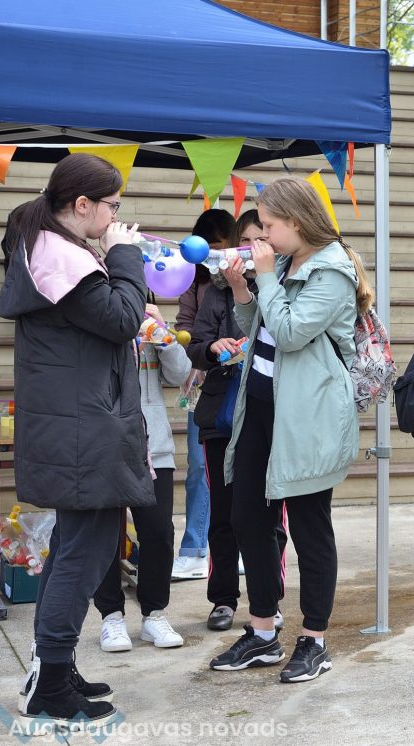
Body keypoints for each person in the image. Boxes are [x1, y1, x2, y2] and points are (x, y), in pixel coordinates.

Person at [0, 152, 151, 727]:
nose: (115, 216)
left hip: (77, 423)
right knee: (83, 554)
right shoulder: (63, 258)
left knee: (72, 548)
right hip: (83, 427)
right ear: (82, 204)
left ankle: (51, 669)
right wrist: (125, 255)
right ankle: (50, 688)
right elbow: (122, 319)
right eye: (112, 205)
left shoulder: (45, 247)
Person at [208, 179, 368, 684]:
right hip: (259, 406)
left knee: (308, 525)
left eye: (269, 225)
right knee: (247, 517)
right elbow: (260, 326)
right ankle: (262, 632)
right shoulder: (281, 263)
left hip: (307, 415)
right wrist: (242, 290)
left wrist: (263, 277)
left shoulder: (332, 270)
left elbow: (293, 332)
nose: (262, 235)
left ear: (296, 222)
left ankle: (314, 640)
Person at [188, 209, 287, 631]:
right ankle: (223, 599)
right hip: (222, 415)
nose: (251, 249)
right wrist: (213, 349)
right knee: (223, 515)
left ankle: (270, 599)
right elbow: (196, 346)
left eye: (259, 240)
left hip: (269, 412)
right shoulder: (216, 290)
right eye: (244, 241)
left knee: (269, 515)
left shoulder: (282, 286)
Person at [92, 298, 191, 652]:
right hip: (105, 445)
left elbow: (180, 374)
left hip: (154, 446)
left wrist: (162, 332)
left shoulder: (150, 330)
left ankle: (154, 614)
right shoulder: (96, 321)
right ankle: (111, 617)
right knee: (104, 533)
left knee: (159, 531)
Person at [173, 208, 236, 580]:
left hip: (245, 384)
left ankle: (240, 549)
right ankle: (195, 547)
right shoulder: (194, 280)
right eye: (207, 246)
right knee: (200, 466)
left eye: (219, 245)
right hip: (205, 384)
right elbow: (185, 328)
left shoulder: (250, 278)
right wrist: (200, 350)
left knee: (243, 470)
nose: (213, 253)